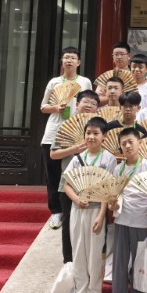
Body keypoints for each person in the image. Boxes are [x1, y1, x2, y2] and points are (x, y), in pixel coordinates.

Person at [63, 116, 117, 293]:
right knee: (78, 254)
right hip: (78, 210)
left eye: (96, 133)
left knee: (95, 256)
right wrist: (76, 200)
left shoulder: (108, 159)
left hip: (96, 210)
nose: (91, 137)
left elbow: (108, 189)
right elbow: (67, 184)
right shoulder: (77, 158)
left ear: (104, 137)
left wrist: (102, 216)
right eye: (88, 133)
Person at [40, 47, 93, 230]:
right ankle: (56, 211)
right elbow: (43, 106)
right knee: (52, 173)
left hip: (77, 132)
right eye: (66, 58)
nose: (69, 60)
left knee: (74, 172)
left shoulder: (84, 82)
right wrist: (56, 108)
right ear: (61, 62)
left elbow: (90, 102)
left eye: (72, 58)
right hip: (54, 132)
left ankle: (72, 207)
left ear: (79, 62)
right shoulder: (54, 82)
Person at [109, 128, 147, 293]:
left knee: (140, 263)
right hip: (121, 221)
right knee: (119, 265)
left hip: (141, 222)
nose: (127, 146)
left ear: (140, 143)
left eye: (131, 142)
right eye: (123, 143)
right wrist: (112, 205)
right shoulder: (118, 169)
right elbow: (114, 197)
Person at [50, 89, 100, 264]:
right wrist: (74, 149)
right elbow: (53, 154)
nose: (89, 105)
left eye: (93, 103)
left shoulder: (100, 129)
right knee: (68, 225)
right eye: (85, 102)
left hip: (94, 185)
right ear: (77, 104)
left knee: (92, 225)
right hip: (69, 183)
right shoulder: (65, 126)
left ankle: (88, 263)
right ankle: (69, 262)